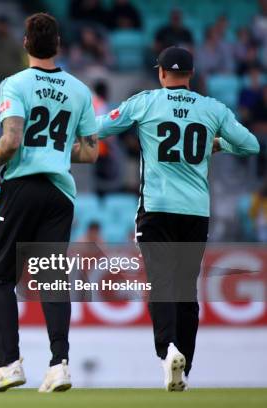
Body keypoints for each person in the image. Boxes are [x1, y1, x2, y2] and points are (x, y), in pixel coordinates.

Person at [96, 46, 260, 391]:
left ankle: (167, 350)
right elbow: (250, 146)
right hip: (195, 213)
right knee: (187, 290)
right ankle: (184, 365)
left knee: (160, 283)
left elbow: (100, 128)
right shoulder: (211, 108)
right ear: (192, 74)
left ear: (161, 73)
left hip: (156, 209)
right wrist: (217, 144)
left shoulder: (146, 102)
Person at [0, 13, 99, 393]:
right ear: (59, 45)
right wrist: (57, 151)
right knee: (51, 279)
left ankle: (9, 364)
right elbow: (92, 152)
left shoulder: (14, 83)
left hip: (22, 189)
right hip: (59, 195)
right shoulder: (80, 90)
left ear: (26, 44)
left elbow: (12, 139)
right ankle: (59, 364)